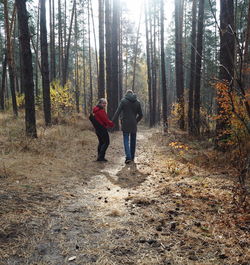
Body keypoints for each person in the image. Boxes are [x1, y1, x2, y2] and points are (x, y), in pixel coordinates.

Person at [112, 90, 143, 164]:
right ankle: (132, 157)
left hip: (125, 123)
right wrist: (136, 121)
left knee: (126, 140)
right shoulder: (137, 102)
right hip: (133, 124)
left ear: (126, 94)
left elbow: (117, 112)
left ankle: (128, 157)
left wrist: (112, 121)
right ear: (132, 94)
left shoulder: (123, 101)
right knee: (133, 141)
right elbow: (141, 115)